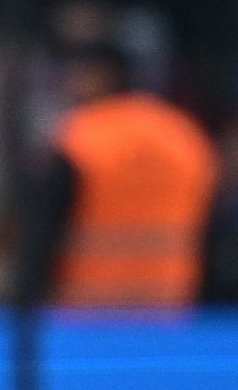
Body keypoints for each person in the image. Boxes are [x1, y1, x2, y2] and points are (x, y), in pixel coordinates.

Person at [19, 42, 218, 309]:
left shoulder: (78, 137)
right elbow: (209, 227)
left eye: (76, 74)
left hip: (88, 313)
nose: (67, 84)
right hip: (170, 309)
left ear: (103, 76)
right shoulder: (185, 135)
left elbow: (43, 233)